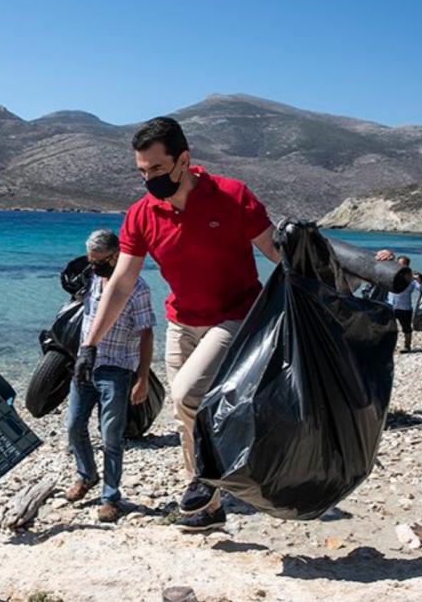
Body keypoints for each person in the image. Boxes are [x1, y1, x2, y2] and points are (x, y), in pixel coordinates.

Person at [74, 117, 281, 532]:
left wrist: (333, 280)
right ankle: (208, 503)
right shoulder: (142, 214)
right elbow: (121, 284)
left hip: (234, 317)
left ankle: (208, 479)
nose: (149, 178)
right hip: (180, 322)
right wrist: (89, 346)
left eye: (156, 169)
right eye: (142, 172)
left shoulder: (232, 196)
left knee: (188, 394)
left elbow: (278, 252)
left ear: (183, 160)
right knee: (185, 415)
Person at [65, 230, 155, 522]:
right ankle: (86, 474)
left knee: (111, 436)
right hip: (86, 363)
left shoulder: (137, 289)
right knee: (73, 425)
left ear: (117, 255)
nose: (94, 266)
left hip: (116, 368)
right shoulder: (91, 279)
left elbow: (146, 333)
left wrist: (142, 377)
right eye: (91, 261)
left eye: (99, 261)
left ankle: (110, 496)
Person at [375, 250, 422, 351]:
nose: (399, 267)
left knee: (406, 328)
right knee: (387, 328)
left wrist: (420, 281)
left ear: (407, 266)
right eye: (398, 264)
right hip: (390, 306)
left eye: (402, 265)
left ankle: (407, 346)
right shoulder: (390, 275)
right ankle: (387, 346)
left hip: (405, 308)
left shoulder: (411, 279)